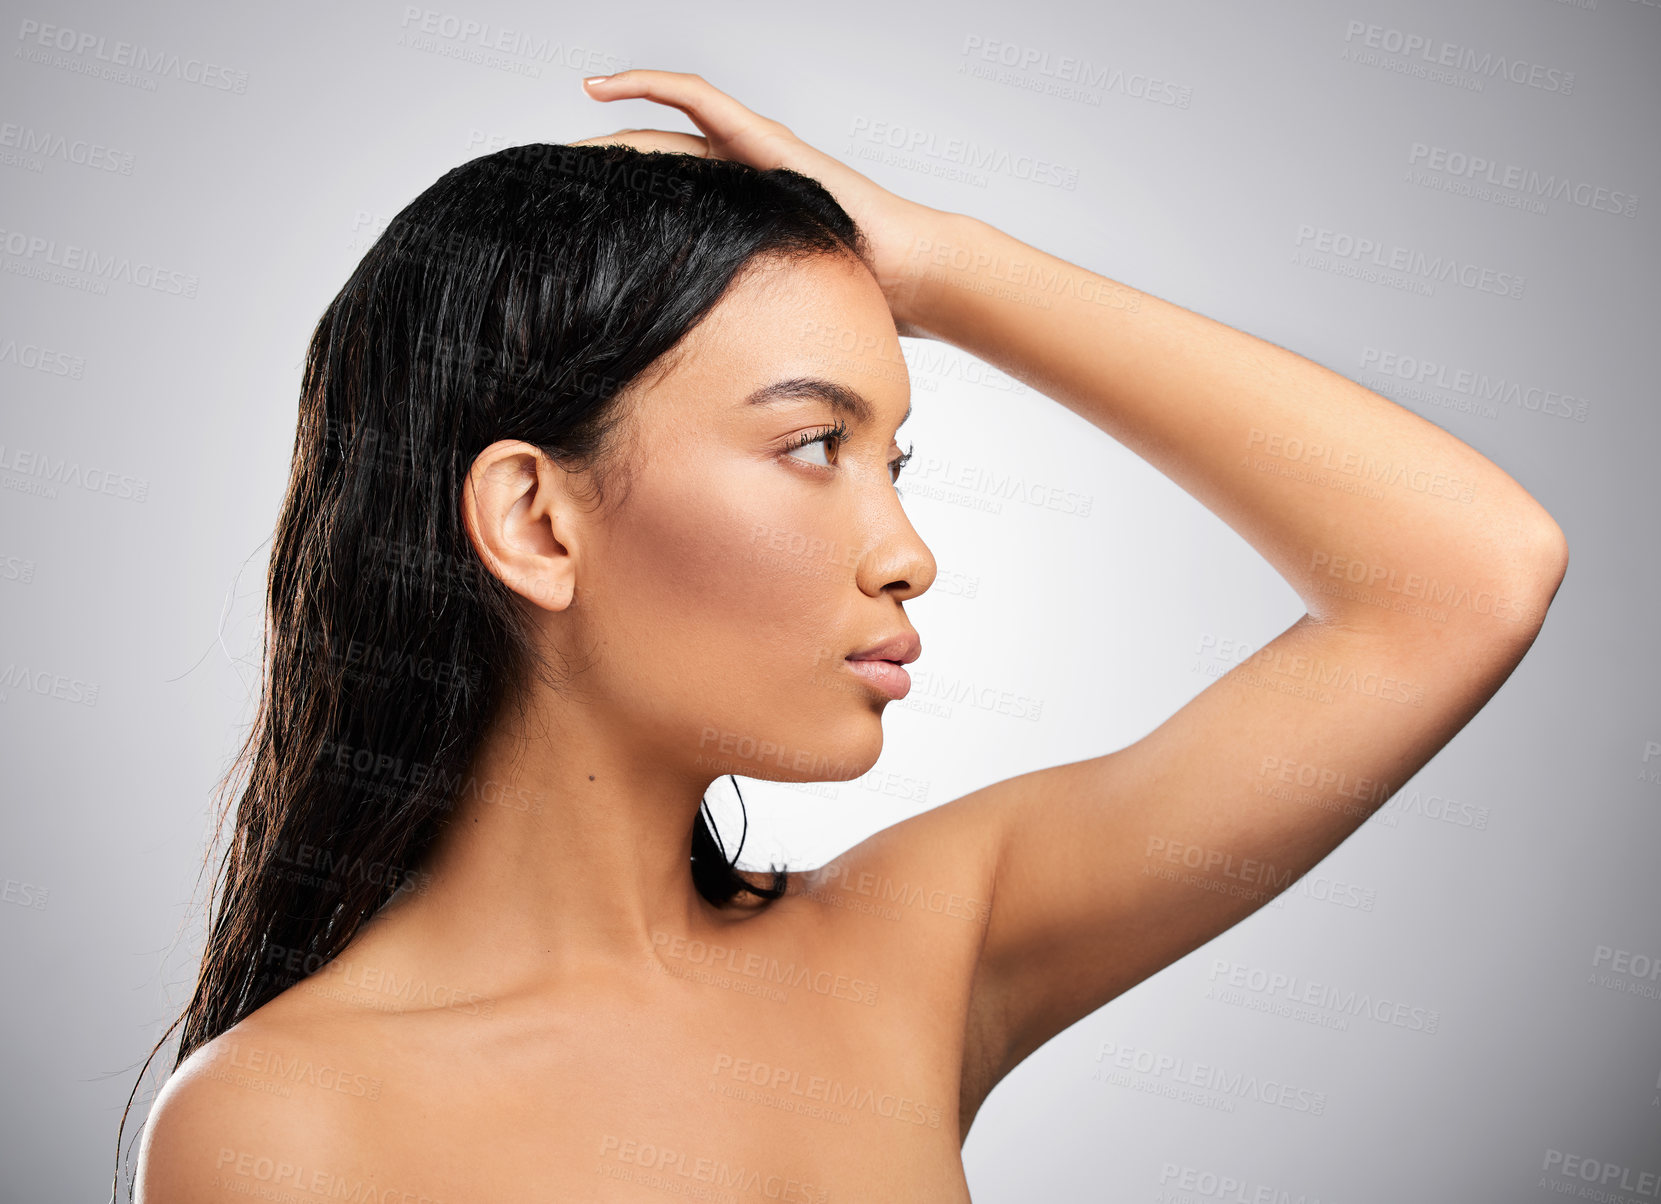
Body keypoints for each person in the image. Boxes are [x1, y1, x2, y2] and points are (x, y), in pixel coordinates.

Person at [121, 70, 1567, 1201]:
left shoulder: (915, 951)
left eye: (898, 462)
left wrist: (935, 264)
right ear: (536, 523)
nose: (908, 555)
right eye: (813, 445)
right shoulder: (283, 1130)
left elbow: (1462, 574)